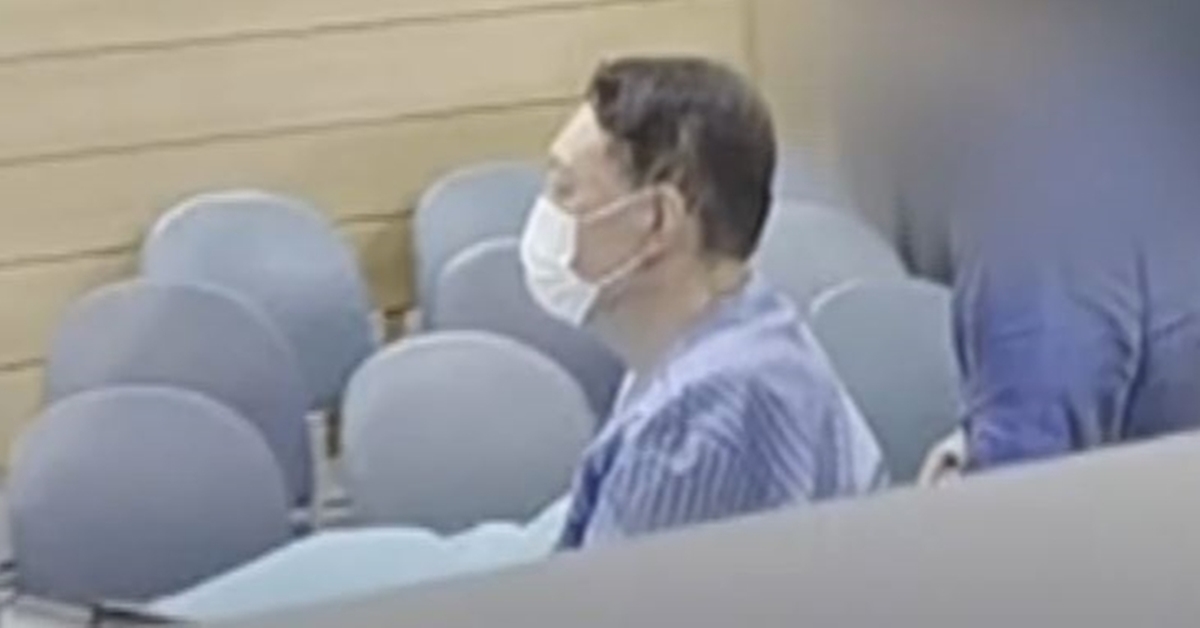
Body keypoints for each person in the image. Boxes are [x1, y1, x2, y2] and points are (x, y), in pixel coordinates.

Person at [518, 56, 887, 549]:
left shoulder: (700, 427)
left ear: (656, 221)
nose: (546, 212)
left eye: (566, 190)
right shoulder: (737, 323)